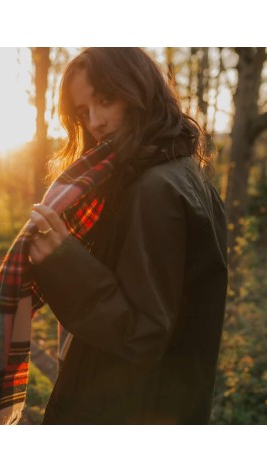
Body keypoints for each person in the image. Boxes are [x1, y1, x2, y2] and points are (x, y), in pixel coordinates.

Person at [28, 47, 228, 425]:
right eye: (83, 112)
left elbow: (143, 331)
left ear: (140, 90)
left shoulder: (156, 188)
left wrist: (63, 260)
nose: (96, 122)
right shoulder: (183, 170)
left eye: (105, 99)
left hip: (130, 408)